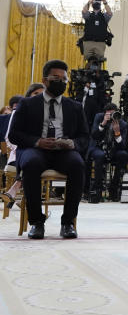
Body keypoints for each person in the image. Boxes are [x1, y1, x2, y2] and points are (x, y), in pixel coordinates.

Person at [8, 60, 90, 239]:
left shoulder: (75, 107)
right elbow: (14, 134)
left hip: (63, 151)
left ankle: (68, 223)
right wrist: (37, 141)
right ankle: (37, 222)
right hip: (35, 149)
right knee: (31, 163)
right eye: (56, 78)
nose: (60, 81)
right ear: (45, 80)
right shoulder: (27, 104)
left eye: (64, 78)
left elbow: (85, 137)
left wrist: (71, 144)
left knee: (77, 164)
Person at [1, 84, 45, 217]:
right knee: (29, 161)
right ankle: (31, 207)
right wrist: (23, 147)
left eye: (41, 94)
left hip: (44, 153)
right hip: (19, 154)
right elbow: (9, 137)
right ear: (29, 96)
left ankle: (16, 193)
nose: (39, 96)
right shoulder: (18, 111)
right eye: (35, 93)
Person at [88, 102, 128, 203]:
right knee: (100, 156)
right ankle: (97, 190)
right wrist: (103, 124)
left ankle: (114, 188)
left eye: (113, 114)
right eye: (109, 114)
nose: (111, 116)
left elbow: (123, 146)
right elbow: (94, 135)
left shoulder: (122, 123)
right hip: (99, 147)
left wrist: (117, 133)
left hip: (114, 149)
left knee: (123, 155)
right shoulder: (99, 117)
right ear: (105, 113)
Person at [79, 0, 113, 68]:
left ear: (100, 4)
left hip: (100, 43)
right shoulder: (89, 15)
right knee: (88, 61)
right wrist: (90, 0)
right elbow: (84, 11)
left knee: (98, 62)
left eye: (98, 2)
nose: (96, 4)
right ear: (92, 4)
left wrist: (104, 2)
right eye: (95, 2)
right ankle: (86, 76)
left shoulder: (104, 16)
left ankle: (97, 76)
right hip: (88, 41)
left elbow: (109, 13)